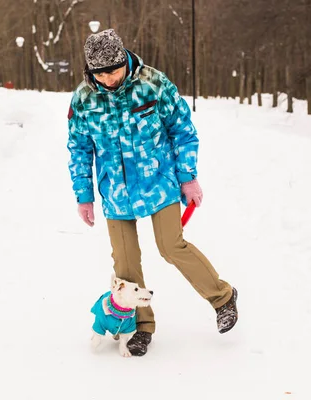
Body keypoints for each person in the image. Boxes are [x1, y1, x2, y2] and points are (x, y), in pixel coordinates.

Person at [66, 29, 238, 356]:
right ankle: (141, 326)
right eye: (100, 74)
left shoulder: (153, 83)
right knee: (126, 264)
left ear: (124, 60)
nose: (109, 79)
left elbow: (182, 131)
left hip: (159, 181)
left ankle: (223, 297)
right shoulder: (83, 99)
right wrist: (84, 194)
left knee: (171, 246)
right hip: (115, 190)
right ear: (89, 71)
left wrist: (187, 177)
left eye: (114, 71)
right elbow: (78, 148)